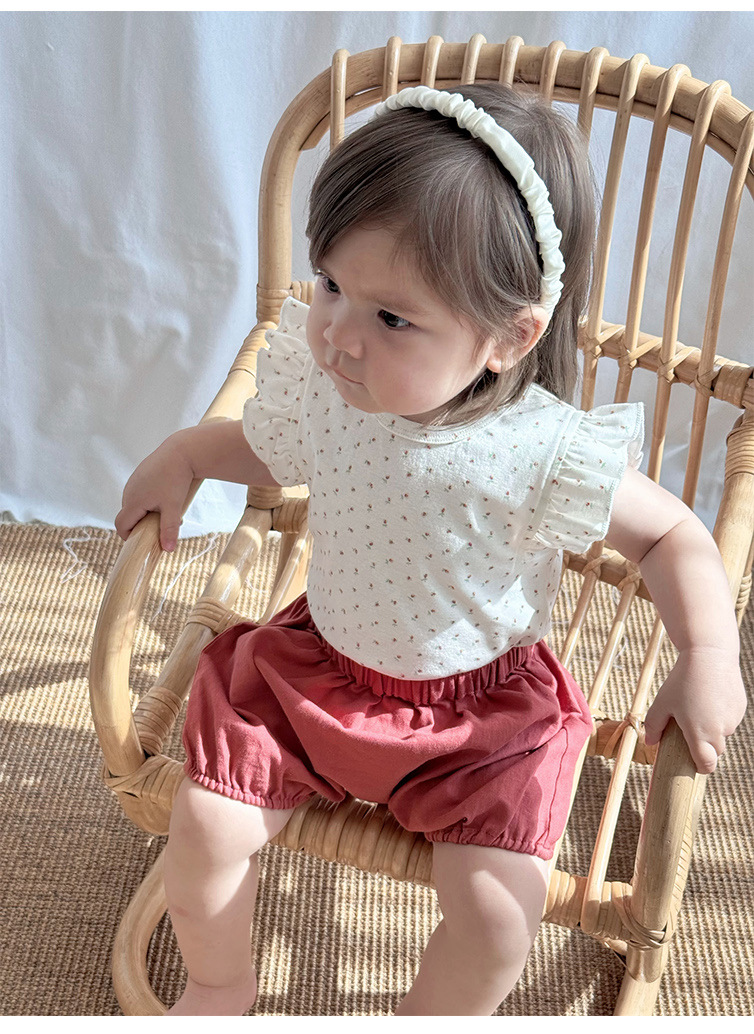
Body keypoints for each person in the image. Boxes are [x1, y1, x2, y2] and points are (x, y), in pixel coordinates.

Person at [116, 84, 746, 1017]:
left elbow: (670, 534)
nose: (337, 336)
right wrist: (186, 455)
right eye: (331, 284)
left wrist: (708, 652)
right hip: (314, 677)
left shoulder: (538, 449)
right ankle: (220, 983)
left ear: (509, 339)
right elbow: (265, 446)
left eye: (392, 318)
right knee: (206, 825)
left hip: (479, 723)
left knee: (496, 916)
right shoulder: (330, 390)